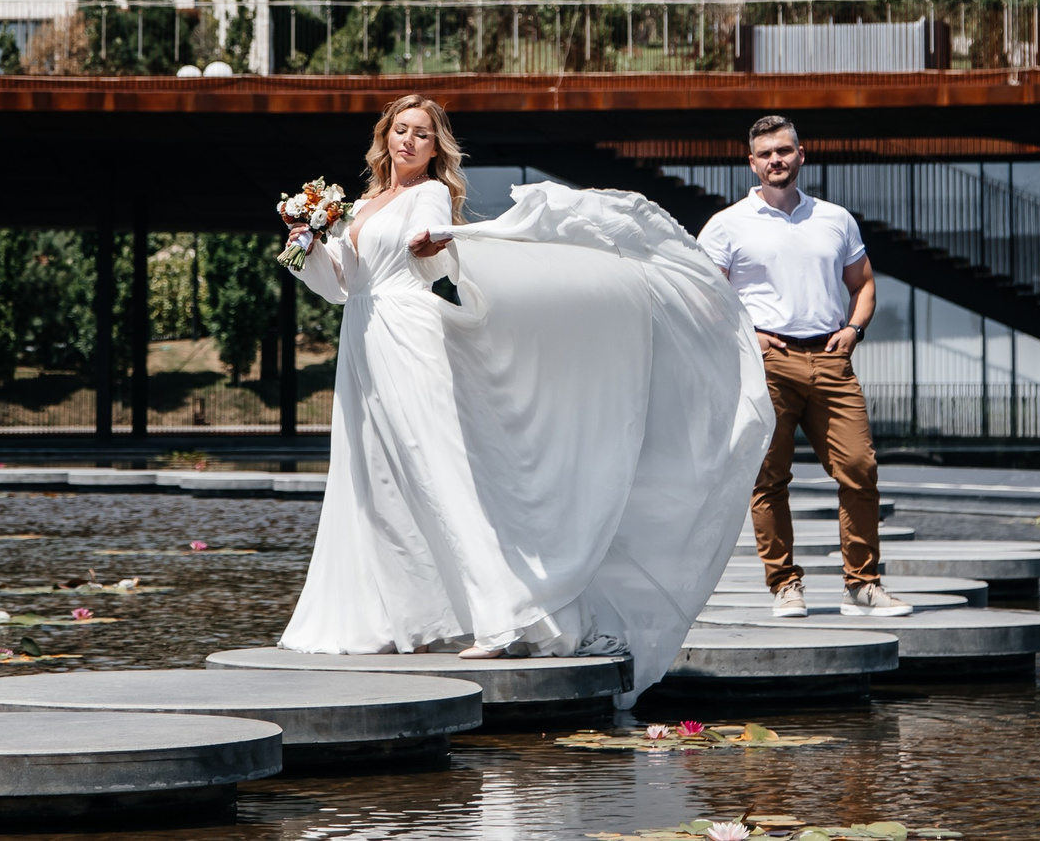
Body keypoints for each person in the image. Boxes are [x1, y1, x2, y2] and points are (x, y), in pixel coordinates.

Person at [277, 94, 770, 700]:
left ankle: (504, 614)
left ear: (436, 148)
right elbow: (342, 286)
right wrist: (307, 247)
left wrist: (440, 252)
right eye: (400, 130)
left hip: (410, 337)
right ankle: (397, 619)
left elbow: (432, 267)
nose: (408, 141)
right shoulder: (363, 203)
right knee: (374, 480)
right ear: (385, 137)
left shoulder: (427, 196)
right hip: (363, 339)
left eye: (421, 135)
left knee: (440, 472)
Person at [697, 114, 911, 618]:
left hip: (832, 358)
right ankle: (784, 586)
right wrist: (748, 335)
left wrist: (854, 330)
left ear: (802, 154)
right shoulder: (728, 225)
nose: (777, 160)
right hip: (768, 363)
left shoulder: (835, 218)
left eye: (785, 150)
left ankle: (862, 586)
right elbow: (703, 296)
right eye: (766, 153)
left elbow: (863, 283)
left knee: (860, 469)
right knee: (769, 477)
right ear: (751, 163)